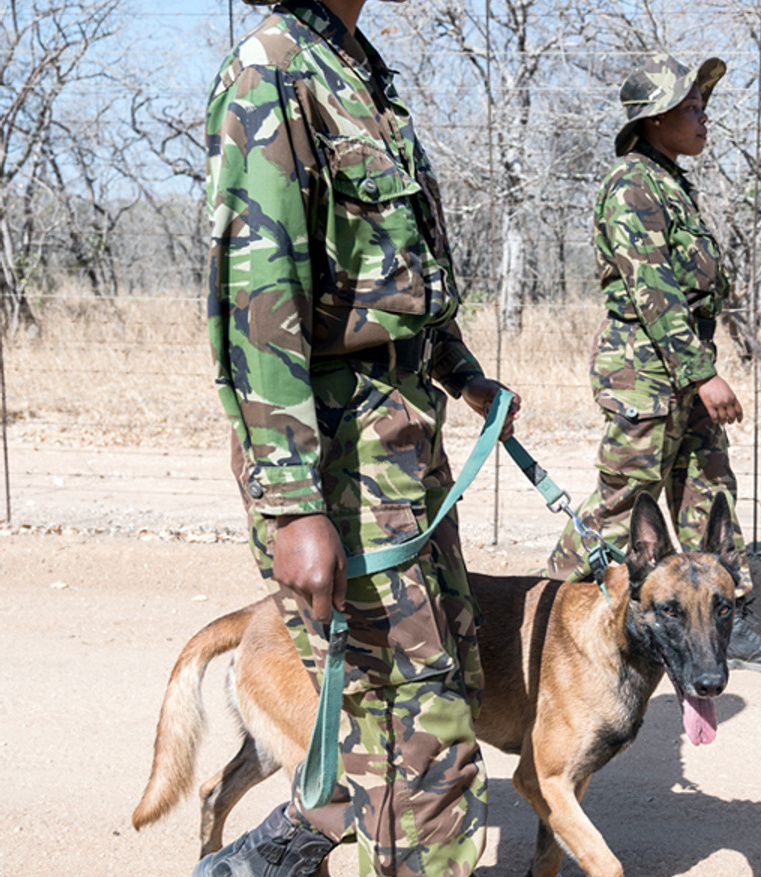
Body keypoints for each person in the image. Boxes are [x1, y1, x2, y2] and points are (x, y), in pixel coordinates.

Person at [196, 1, 519, 875]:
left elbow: (392, 269)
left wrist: (458, 368)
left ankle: (277, 852)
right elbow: (258, 311)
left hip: (405, 449)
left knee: (429, 695)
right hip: (340, 464)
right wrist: (295, 502)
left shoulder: (354, 66)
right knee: (423, 734)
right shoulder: (273, 70)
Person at [542, 54, 761, 674]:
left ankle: (727, 617)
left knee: (709, 492)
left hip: (682, 370)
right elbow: (652, 289)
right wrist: (700, 374)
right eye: (690, 106)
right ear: (655, 120)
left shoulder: (670, 182)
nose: (703, 116)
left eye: (702, 104)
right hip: (648, 375)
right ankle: (544, 608)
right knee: (623, 503)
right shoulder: (631, 184)